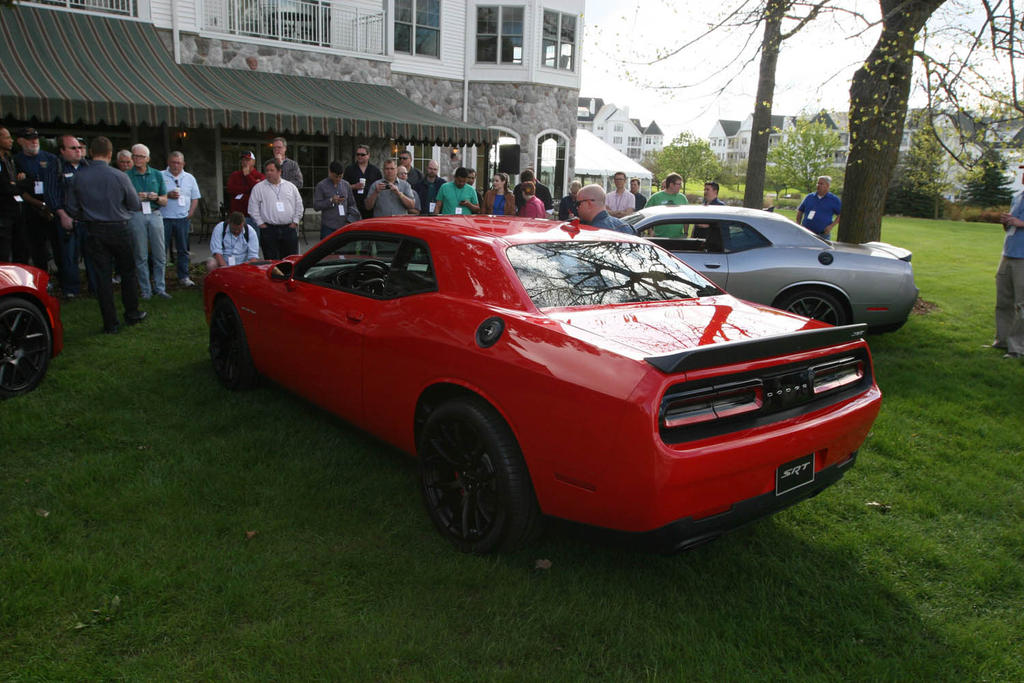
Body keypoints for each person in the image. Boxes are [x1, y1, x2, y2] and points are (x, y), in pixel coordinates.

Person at [65, 136, 146, 333]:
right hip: (119, 228)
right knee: (127, 272)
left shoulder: (79, 177)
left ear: (91, 152)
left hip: (93, 229)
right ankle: (132, 313)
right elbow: (134, 204)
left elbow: (71, 208)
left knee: (102, 276)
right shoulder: (120, 176)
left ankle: (110, 323)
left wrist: (86, 215)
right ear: (110, 154)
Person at [50, 134, 93, 297]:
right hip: (67, 219)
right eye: (73, 148)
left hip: (88, 219)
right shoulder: (56, 167)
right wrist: (62, 215)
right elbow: (51, 193)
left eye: (79, 148)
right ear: (62, 150)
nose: (78, 151)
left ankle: (95, 288)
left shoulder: (88, 166)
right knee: (69, 256)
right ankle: (71, 290)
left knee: (92, 254)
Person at [126, 144, 170, 299]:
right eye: (135, 156)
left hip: (154, 213)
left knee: (159, 254)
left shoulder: (157, 175)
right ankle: (146, 290)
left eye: (141, 156)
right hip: (136, 214)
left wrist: (156, 197)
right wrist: (135, 198)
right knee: (140, 254)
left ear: (148, 159)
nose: (137, 159)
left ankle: (160, 288)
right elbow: (123, 200)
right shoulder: (127, 176)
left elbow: (165, 200)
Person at [14, 127, 59, 270]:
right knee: (36, 247)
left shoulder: (51, 158)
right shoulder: (16, 160)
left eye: (36, 138)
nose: (34, 141)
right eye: (29, 139)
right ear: (20, 141)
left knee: (58, 245)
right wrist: (39, 204)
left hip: (52, 207)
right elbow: (18, 188)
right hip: (31, 209)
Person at [994, 163, 1024, 359]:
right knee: (1003, 301)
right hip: (1008, 254)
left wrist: (1021, 223)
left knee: (1022, 305)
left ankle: (1017, 348)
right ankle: (1002, 340)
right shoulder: (1018, 196)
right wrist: (1007, 222)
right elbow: (1011, 227)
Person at [248, 159, 303, 259]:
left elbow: (299, 205)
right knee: (271, 259)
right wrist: (261, 223)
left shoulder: (290, 187)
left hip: (289, 229)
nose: (269, 173)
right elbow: (252, 208)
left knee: (290, 259)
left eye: (271, 170)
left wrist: (295, 222)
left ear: (279, 171)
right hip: (269, 230)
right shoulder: (259, 188)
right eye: (267, 170)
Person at [160, 151, 201, 287]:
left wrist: (191, 213)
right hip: (164, 218)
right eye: (173, 162)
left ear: (183, 164)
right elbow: (155, 195)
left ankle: (184, 277)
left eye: (178, 163)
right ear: (168, 162)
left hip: (182, 219)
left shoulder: (189, 178)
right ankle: (159, 278)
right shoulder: (160, 175)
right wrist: (167, 195)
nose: (176, 165)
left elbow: (195, 197)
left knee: (183, 249)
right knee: (161, 249)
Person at [0, 126, 31, 263]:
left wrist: (16, 184)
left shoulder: (11, 159)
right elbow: (4, 187)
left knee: (21, 250)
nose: (11, 140)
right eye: (7, 137)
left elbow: (27, 182)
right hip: (3, 216)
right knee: (4, 253)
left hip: (17, 212)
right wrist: (16, 185)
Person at [313, 161, 360, 238]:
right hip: (328, 227)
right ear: (330, 172)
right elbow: (316, 206)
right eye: (335, 176)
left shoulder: (346, 185)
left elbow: (352, 204)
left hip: (344, 225)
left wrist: (350, 221)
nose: (338, 179)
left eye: (340, 176)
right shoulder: (321, 186)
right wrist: (330, 200)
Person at [342, 144, 382, 219]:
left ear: (368, 155)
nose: (359, 156)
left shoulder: (375, 170)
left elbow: (380, 187)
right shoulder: (349, 169)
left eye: (362, 155)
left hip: (371, 207)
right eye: (358, 154)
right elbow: (342, 187)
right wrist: (354, 186)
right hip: (354, 206)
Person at [226, 151, 264, 223]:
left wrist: (247, 176)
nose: (245, 162)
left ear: (253, 162)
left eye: (247, 160)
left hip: (254, 215)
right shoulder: (235, 175)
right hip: (236, 214)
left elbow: (257, 189)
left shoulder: (260, 176)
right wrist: (248, 189)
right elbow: (230, 189)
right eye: (243, 160)